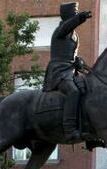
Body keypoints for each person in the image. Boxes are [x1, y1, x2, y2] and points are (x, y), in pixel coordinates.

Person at [43, 2, 92, 142]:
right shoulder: (61, 30)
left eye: (77, 12)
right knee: (73, 92)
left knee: (89, 89)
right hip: (59, 71)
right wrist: (80, 18)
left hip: (70, 71)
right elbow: (67, 26)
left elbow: (71, 55)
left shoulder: (74, 35)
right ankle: (69, 130)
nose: (76, 14)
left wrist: (79, 63)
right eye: (74, 12)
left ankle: (87, 128)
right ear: (68, 15)